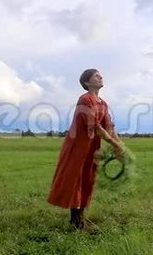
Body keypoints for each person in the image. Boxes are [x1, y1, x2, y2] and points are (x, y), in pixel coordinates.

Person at [47, 68, 124, 230]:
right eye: (96, 76)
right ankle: (77, 220)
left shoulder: (103, 104)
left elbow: (109, 127)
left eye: (100, 75)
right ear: (87, 82)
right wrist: (115, 145)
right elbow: (95, 127)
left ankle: (79, 218)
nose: (101, 77)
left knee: (87, 179)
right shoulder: (85, 100)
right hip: (77, 147)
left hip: (92, 148)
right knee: (76, 179)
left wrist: (121, 146)